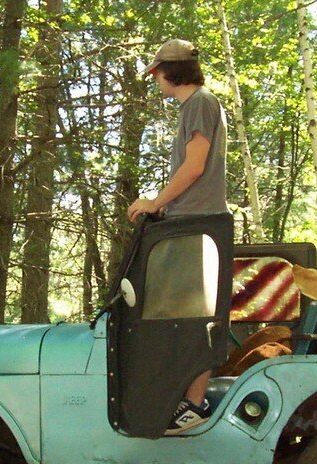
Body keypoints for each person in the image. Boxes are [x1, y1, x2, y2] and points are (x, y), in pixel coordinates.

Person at [127, 38, 229, 435]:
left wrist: (156, 202)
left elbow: (194, 167)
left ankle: (193, 405)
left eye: (156, 73)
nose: (154, 80)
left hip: (198, 224)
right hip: (188, 219)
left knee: (192, 317)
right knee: (180, 315)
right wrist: (166, 207)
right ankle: (180, 398)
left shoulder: (201, 102)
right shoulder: (195, 105)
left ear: (168, 71)